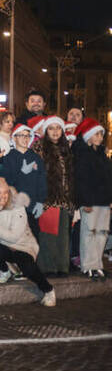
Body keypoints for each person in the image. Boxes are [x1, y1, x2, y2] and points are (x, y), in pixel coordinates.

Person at [0, 176, 55, 307]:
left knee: (28, 267)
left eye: (5, 192)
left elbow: (14, 236)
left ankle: (48, 289)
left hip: (23, 246)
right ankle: (5, 270)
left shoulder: (17, 206)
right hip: (5, 247)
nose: (3, 196)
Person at [31, 116, 74, 276]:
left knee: (63, 235)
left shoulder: (66, 148)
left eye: (58, 128)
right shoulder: (39, 147)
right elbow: (37, 174)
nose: (55, 131)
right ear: (45, 130)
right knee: (48, 234)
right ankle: (48, 267)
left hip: (65, 198)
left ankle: (62, 266)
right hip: (47, 197)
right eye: (51, 128)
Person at [72, 118, 112, 280]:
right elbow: (81, 180)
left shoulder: (102, 154)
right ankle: (88, 265)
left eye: (101, 134)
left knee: (101, 233)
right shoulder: (82, 154)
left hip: (103, 201)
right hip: (90, 201)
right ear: (88, 136)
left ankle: (98, 265)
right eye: (96, 133)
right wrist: (85, 201)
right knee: (89, 233)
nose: (100, 137)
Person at [1, 124, 47, 237]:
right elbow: (7, 182)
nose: (25, 138)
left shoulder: (36, 157)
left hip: (33, 205)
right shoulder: (8, 158)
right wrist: (21, 173)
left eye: (27, 136)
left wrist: (41, 202)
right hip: (16, 207)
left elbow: (42, 181)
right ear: (14, 138)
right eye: (21, 135)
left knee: (34, 236)